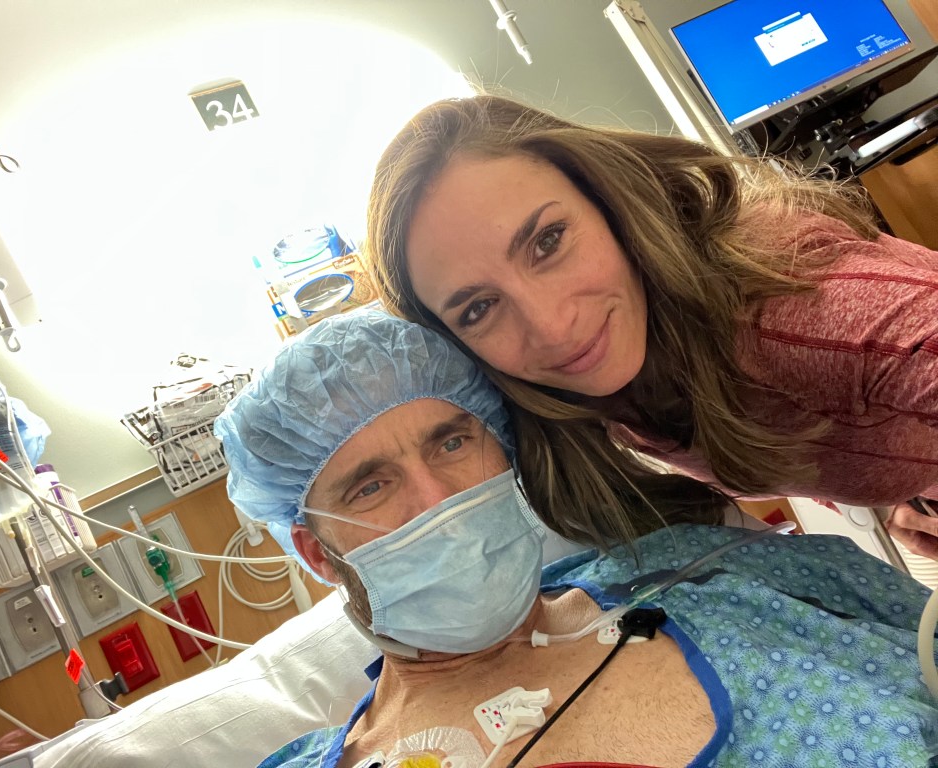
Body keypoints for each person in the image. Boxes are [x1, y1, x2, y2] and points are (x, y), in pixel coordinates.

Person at [215, 310, 938, 768]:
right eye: (371, 486)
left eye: (452, 442)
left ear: (500, 446)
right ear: (318, 553)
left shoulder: (703, 571)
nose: (439, 499)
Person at [362, 93, 938, 562]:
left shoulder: (800, 318)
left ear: (605, 198)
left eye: (548, 241)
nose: (554, 327)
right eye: (478, 309)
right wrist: (896, 489)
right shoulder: (604, 381)